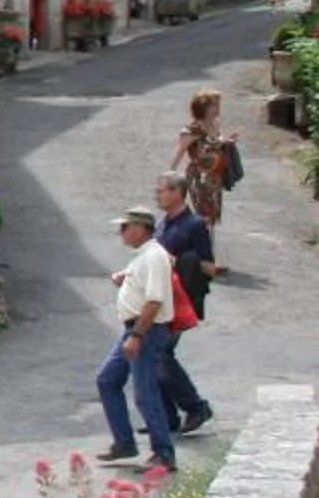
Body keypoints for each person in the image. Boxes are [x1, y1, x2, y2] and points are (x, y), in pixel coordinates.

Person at [98, 206, 178, 470]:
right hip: (135, 330)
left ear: (141, 228)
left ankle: (164, 453)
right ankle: (124, 442)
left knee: (145, 392)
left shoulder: (153, 256)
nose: (121, 232)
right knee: (108, 380)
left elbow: (154, 302)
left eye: (125, 227)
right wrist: (126, 279)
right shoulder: (144, 256)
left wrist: (136, 336)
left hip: (145, 331)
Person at [153, 172, 216, 437]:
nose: (157, 195)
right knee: (153, 357)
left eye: (162, 190)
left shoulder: (194, 225)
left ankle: (196, 407)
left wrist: (175, 260)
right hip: (158, 299)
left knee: (161, 355)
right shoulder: (162, 225)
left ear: (178, 192)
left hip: (180, 301)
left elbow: (209, 267)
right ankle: (166, 418)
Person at [171, 88, 236, 227]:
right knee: (204, 214)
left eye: (218, 104)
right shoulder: (193, 129)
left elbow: (216, 142)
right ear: (204, 108)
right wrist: (170, 173)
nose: (218, 108)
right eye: (215, 105)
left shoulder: (215, 124)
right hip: (199, 176)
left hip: (215, 175)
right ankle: (203, 244)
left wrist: (227, 142)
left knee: (213, 214)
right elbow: (181, 149)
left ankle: (208, 244)